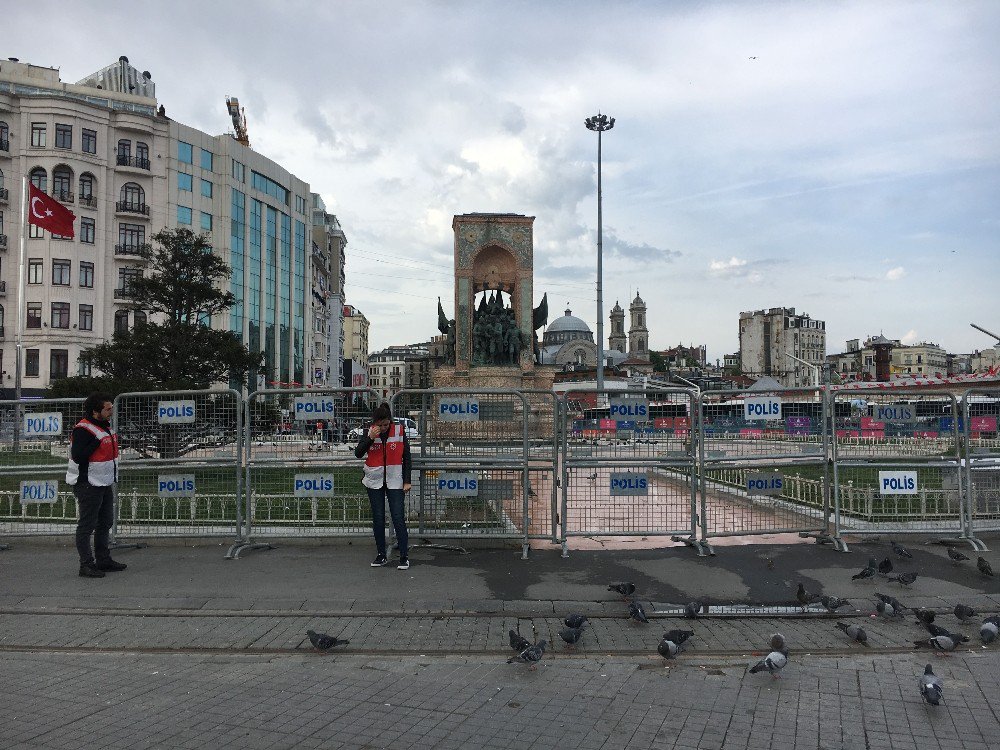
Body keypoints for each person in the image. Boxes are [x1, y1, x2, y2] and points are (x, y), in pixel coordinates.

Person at [65, 392, 126, 578]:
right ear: (95, 411)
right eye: (107, 409)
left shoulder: (105, 426)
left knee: (105, 522)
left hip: (104, 482)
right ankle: (86, 564)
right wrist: (96, 442)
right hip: (88, 484)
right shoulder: (84, 429)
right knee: (87, 525)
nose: (111, 411)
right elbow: (79, 456)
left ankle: (103, 559)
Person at [354, 402, 412, 569]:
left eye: (387, 424)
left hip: (395, 479)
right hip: (374, 480)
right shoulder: (370, 431)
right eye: (381, 425)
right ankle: (381, 554)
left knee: (398, 517)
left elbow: (407, 457)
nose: (384, 428)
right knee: (378, 518)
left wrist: (407, 481)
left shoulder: (399, 431)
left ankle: (404, 556)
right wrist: (370, 438)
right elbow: (358, 453)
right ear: (375, 423)